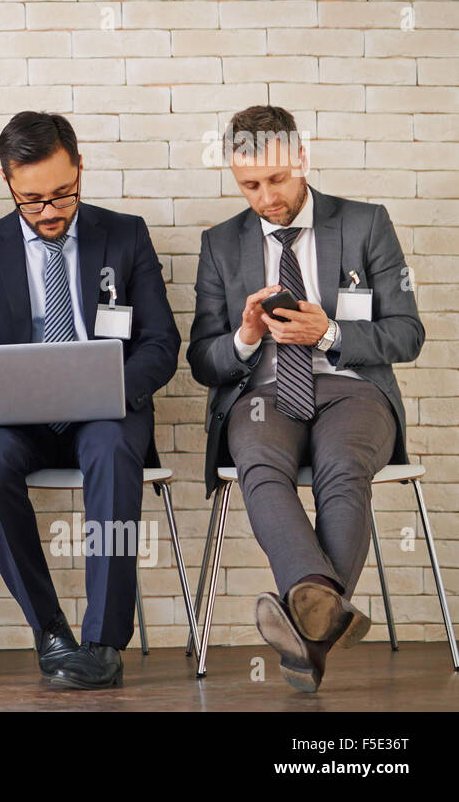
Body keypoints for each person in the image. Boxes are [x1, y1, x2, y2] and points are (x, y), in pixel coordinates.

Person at [188, 104, 424, 693]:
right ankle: (319, 619)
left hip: (353, 388)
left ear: (301, 158)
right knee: (259, 465)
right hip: (264, 391)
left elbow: (408, 333)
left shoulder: (366, 224)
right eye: (249, 185)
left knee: (344, 468)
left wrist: (331, 333)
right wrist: (244, 337)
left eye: (277, 179)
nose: (266, 197)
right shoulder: (220, 245)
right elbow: (201, 361)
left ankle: (303, 624)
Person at [0, 112, 179, 689]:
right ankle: (50, 630)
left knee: (112, 449)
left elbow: (160, 342)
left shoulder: (126, 234)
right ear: (7, 182)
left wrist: (109, 387)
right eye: (32, 200)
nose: (49, 212)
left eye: (63, 195)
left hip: (105, 409)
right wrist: (4, 389)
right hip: (17, 422)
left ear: (79, 166)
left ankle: (102, 642)